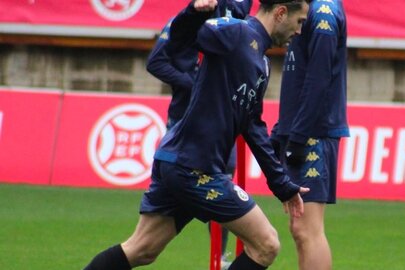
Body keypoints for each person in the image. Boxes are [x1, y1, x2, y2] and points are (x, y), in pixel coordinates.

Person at [83, 0, 310, 269]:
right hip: (194, 168)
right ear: (281, 13)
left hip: (179, 162)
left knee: (142, 249)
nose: (299, 31)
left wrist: (281, 184)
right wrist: (193, 12)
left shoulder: (261, 60)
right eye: (300, 22)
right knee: (266, 244)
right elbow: (180, 43)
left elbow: (252, 125)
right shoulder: (236, 32)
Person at [145, 1, 253, 267]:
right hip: (183, 119)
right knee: (173, 187)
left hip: (218, 120)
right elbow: (155, 62)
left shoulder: (231, 24)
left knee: (225, 181)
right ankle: (149, 239)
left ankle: (221, 255)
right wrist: (192, 85)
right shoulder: (182, 23)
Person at [270, 0, 349, 269]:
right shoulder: (307, 8)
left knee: (307, 229)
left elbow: (319, 79)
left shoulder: (323, 11)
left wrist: (299, 137)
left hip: (313, 133)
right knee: (299, 228)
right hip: (303, 129)